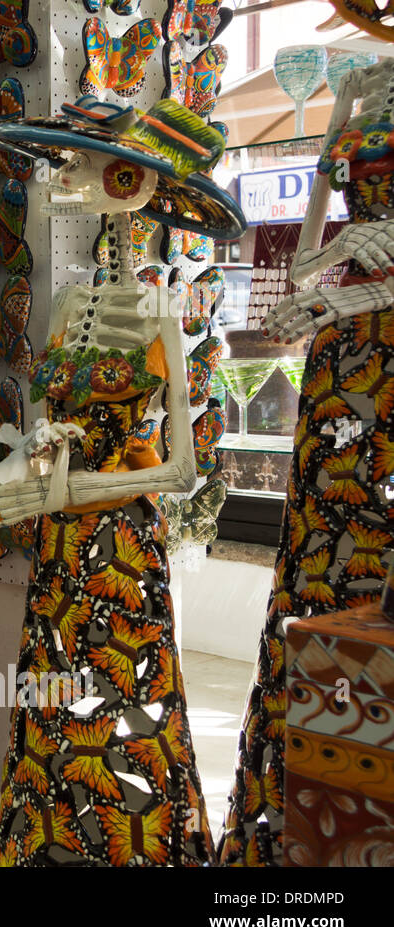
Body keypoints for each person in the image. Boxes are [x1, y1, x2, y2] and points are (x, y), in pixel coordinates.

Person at [0, 97, 247, 864]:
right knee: (53, 700)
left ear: (128, 181)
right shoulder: (64, 308)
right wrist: (11, 474)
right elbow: (48, 432)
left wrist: (59, 492)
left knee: (126, 701)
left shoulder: (160, 312)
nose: (65, 176)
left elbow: (181, 470)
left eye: (81, 164)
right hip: (59, 551)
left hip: (120, 540)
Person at [219, 56, 394, 867]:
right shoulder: (362, 81)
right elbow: (317, 230)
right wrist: (317, 284)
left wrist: (340, 288)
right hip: (339, 350)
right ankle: (289, 822)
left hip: (373, 332)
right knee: (318, 541)